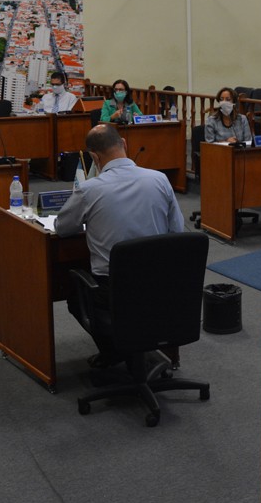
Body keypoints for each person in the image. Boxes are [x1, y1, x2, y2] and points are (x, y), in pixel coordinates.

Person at [55, 124, 184, 367]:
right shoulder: (160, 179)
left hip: (113, 290)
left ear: (94, 157)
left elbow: (62, 228)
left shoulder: (89, 189)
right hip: (159, 285)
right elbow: (177, 231)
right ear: (124, 143)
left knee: (75, 295)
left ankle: (113, 353)